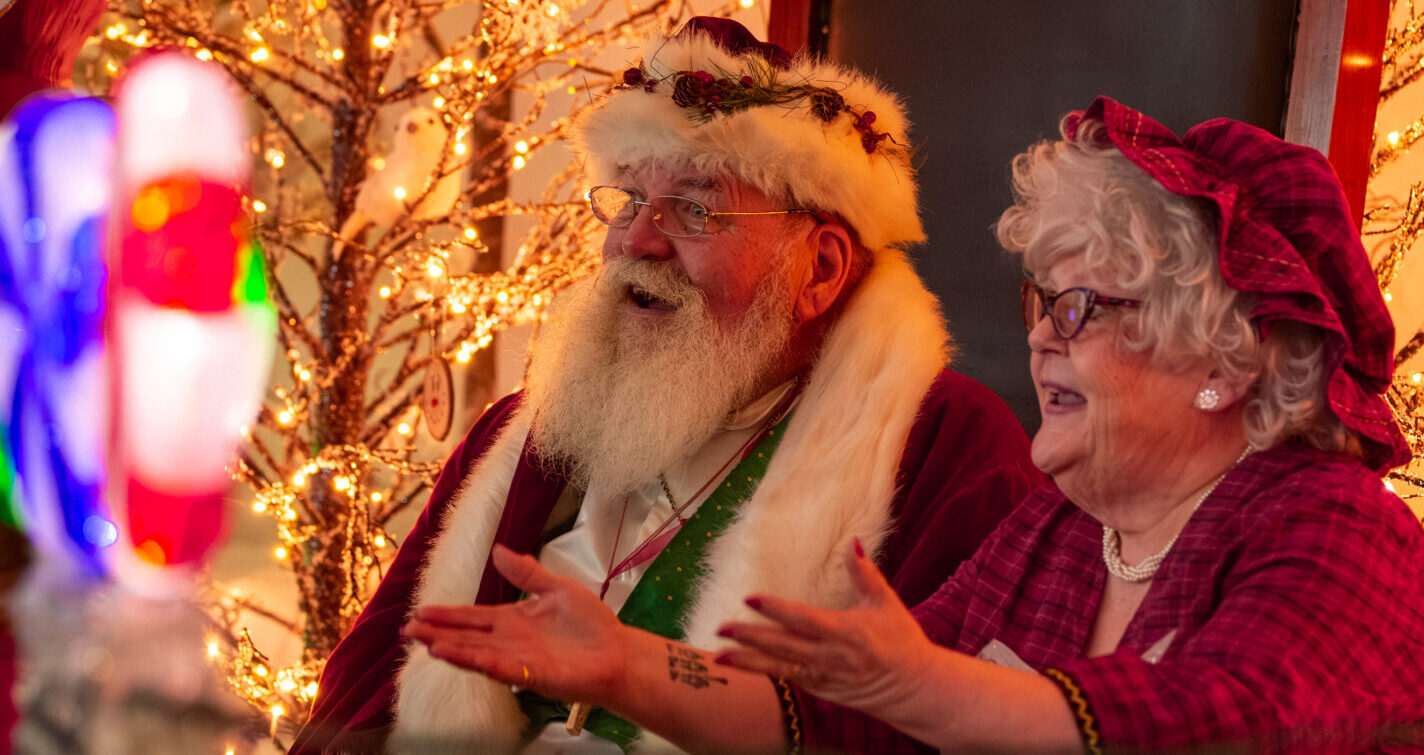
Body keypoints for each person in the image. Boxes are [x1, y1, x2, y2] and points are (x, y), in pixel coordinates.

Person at [405, 97, 1424, 754]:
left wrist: (922, 685)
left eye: (1084, 306)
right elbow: (844, 723)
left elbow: (1225, 721)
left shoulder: (1336, 528)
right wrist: (627, 668)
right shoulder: (1056, 533)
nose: (1046, 339)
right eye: (1042, 302)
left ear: (1224, 361)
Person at [291, 18, 1042, 754]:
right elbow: (366, 688)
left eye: (694, 208)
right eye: (625, 200)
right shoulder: (528, 427)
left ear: (818, 269)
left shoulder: (948, 448)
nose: (636, 240)